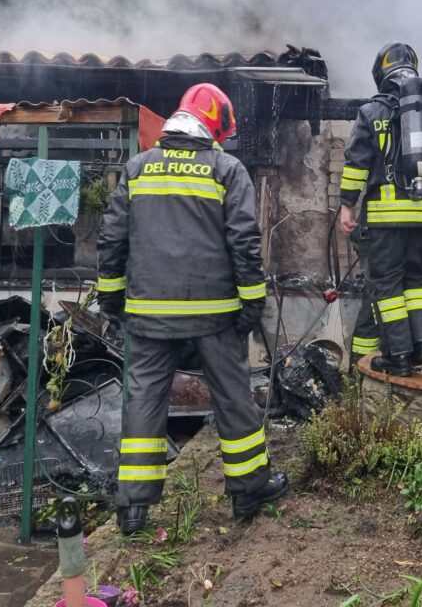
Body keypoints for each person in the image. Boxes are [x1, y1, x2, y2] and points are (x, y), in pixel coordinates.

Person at [97, 83, 288, 534]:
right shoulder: (226, 169)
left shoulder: (138, 168)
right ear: (215, 125)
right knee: (232, 397)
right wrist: (251, 302)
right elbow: (243, 241)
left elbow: (111, 238)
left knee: (144, 400)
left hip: (147, 314)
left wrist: (111, 297)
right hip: (214, 314)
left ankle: (133, 509)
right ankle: (248, 490)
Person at [339, 43, 422, 376]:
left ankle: (398, 356)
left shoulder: (371, 112)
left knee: (387, 284)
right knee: (417, 281)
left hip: (386, 218)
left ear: (381, 73)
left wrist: (347, 207)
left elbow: (357, 165)